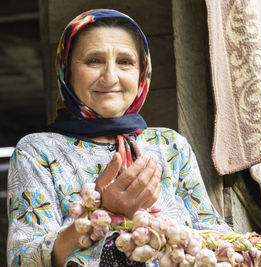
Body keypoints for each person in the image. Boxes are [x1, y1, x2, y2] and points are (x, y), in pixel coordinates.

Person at [7, 9, 231, 267]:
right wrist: (99, 214)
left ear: (142, 73)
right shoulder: (37, 152)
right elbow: (23, 260)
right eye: (94, 61)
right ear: (66, 71)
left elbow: (213, 235)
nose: (111, 77)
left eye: (125, 61)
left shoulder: (170, 146)